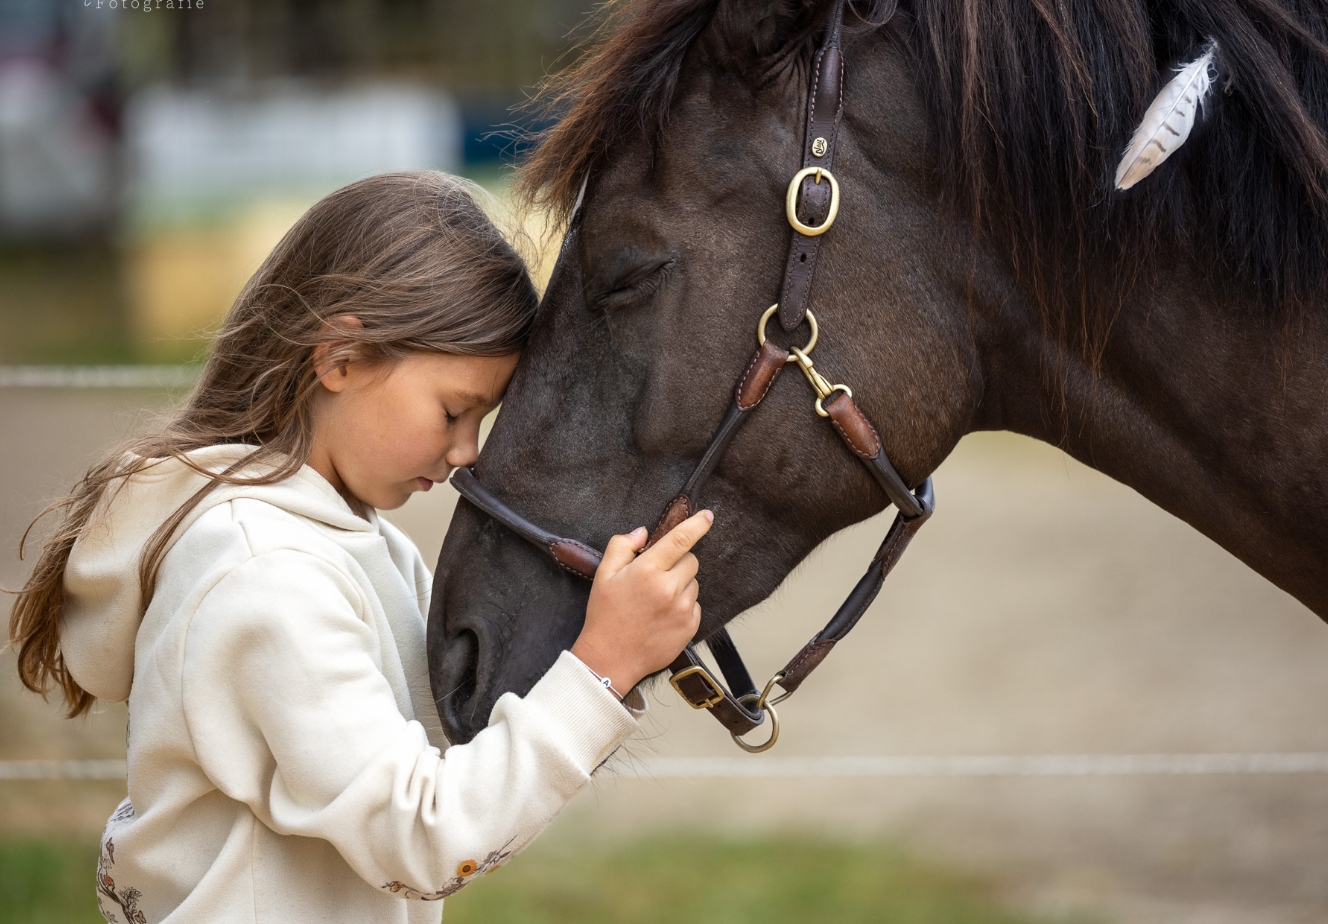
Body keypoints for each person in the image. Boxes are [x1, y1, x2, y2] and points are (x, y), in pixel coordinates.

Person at [8, 171, 712, 923]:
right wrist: (602, 668)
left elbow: (464, 779)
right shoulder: (263, 573)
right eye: (454, 410)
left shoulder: (355, 545)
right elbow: (424, 837)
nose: (466, 453)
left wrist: (606, 634)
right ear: (340, 358)